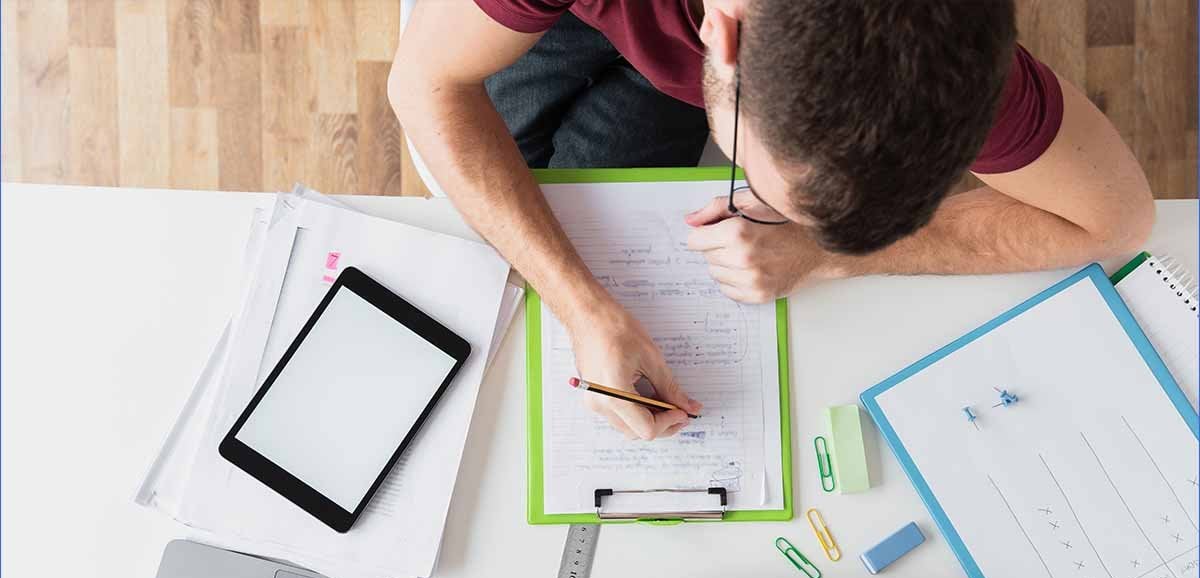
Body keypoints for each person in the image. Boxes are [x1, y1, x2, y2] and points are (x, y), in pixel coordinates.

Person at [389, 0, 1154, 441]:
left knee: (562, 202)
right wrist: (582, 309)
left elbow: (1115, 221)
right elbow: (425, 87)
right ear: (720, 35)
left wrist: (829, 256)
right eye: (747, 177)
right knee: (475, 181)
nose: (750, 205)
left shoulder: (936, 46)